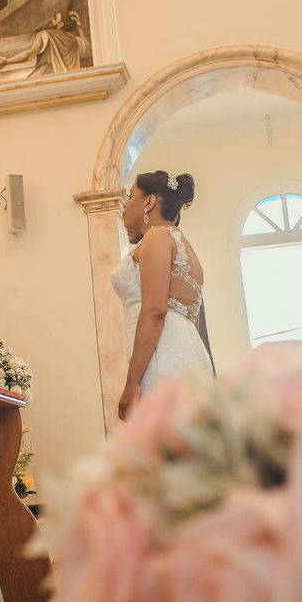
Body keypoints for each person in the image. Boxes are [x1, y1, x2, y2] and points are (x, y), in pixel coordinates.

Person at [112, 170, 213, 419]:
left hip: (163, 358)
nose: (124, 205)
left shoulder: (157, 237)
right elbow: (193, 321)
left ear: (149, 202)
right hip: (188, 355)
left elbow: (156, 311)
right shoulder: (185, 248)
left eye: (131, 196)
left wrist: (131, 383)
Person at [0, 11, 89, 77]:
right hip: (68, 82)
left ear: (60, 25)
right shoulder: (74, 40)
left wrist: (7, 61)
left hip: (47, 77)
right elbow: (89, 50)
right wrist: (80, 27)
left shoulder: (47, 35)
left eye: (54, 18)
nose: (50, 18)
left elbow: (29, 55)